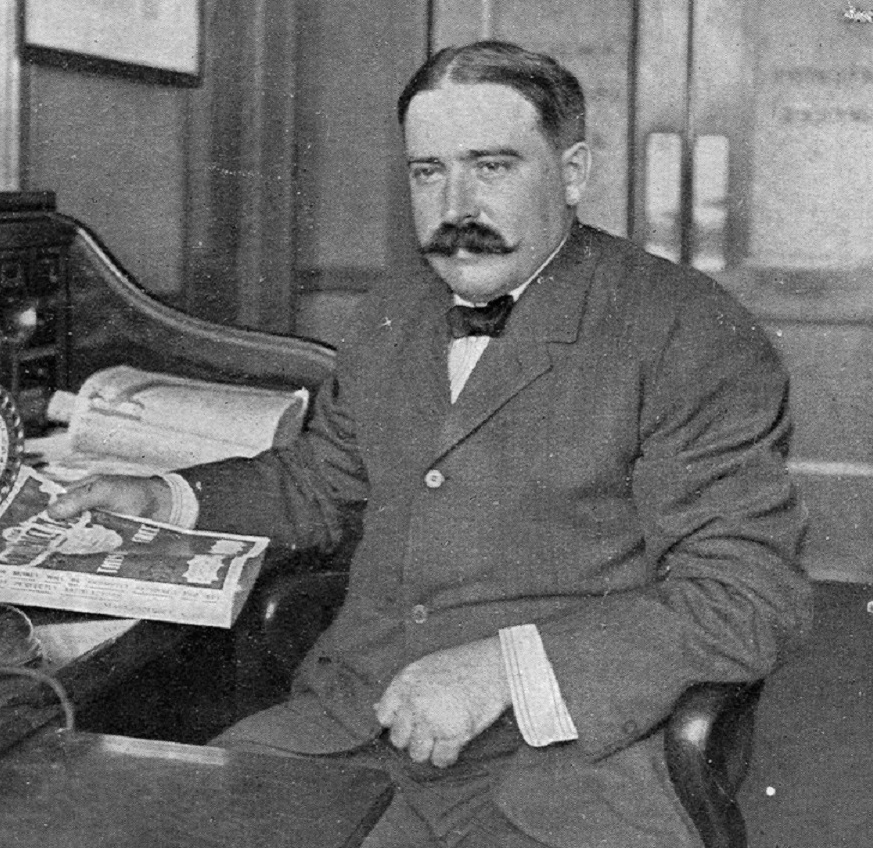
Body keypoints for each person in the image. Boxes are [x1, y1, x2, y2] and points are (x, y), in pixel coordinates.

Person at [50, 41, 810, 848]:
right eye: (427, 172)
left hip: (564, 769)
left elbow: (747, 594)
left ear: (575, 172)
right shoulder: (396, 309)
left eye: (492, 167)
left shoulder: (689, 330)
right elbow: (322, 480)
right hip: (355, 730)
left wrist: (503, 670)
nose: (456, 206)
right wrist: (166, 496)